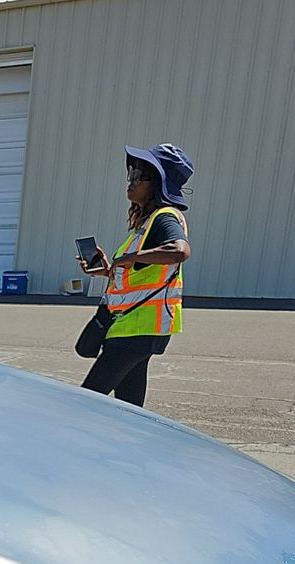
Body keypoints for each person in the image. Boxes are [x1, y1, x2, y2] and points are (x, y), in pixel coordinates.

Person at [77, 144, 193, 406]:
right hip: (134, 327)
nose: (131, 182)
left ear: (158, 184)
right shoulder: (146, 223)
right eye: (130, 175)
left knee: (85, 403)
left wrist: (129, 257)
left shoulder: (164, 217)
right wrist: (108, 269)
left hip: (136, 329)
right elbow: (140, 277)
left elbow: (180, 250)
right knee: (129, 408)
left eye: (138, 177)